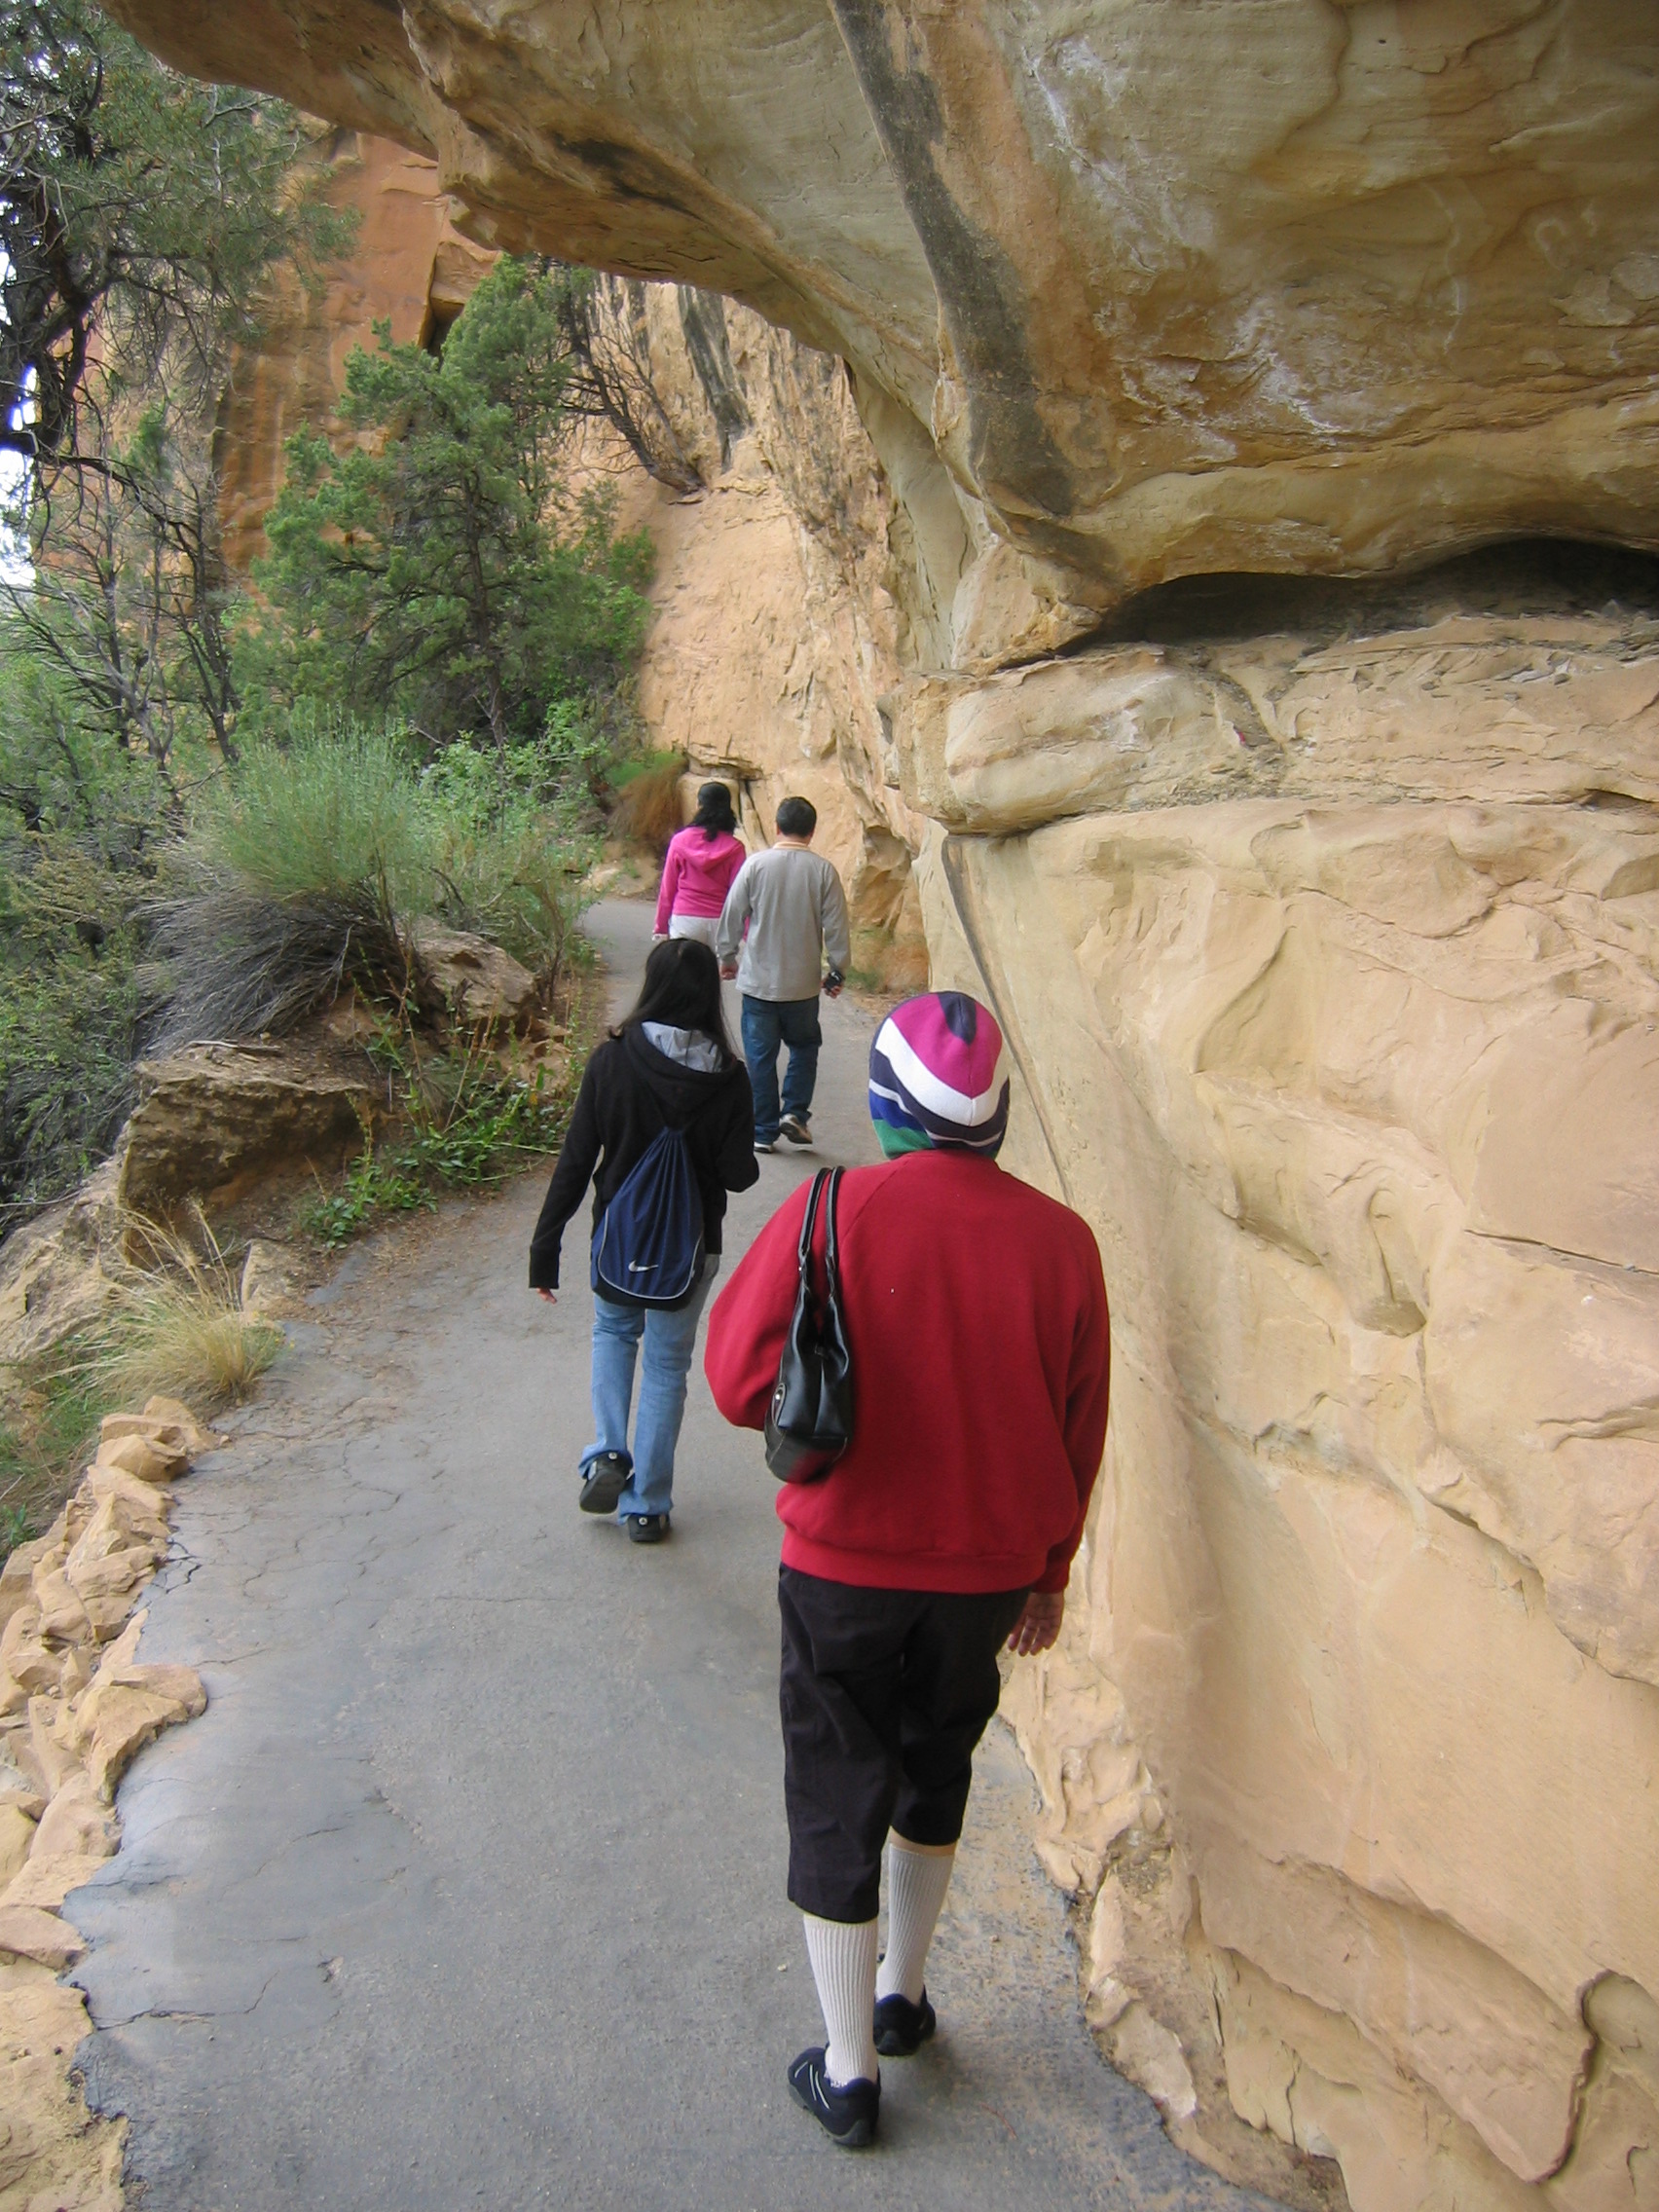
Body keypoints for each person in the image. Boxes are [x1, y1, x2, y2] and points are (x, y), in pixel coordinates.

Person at [704, 990, 1111, 2148]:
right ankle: (904, 1998)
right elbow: (1081, 1429)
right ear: (996, 1115)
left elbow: (736, 1383)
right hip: (987, 1579)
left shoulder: (832, 1207)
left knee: (838, 1784)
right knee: (937, 1764)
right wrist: (1051, 1572)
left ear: (887, 1107)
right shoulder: (1064, 1242)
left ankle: (848, 2072)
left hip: (841, 1566)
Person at [530, 938, 756, 1544]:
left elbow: (577, 1159)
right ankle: (648, 1505)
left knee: (613, 1332)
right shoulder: (730, 1078)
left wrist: (544, 1250)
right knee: (666, 1363)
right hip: (692, 1248)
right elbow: (739, 1175)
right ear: (709, 996)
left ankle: (608, 1450)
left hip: (619, 1238)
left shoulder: (612, 1060)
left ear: (651, 987)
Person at [716, 795, 850, 1155]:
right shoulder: (823, 871)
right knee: (804, 1047)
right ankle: (794, 1113)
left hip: (758, 983)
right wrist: (837, 970)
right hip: (802, 986)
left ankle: (762, 1130)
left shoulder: (756, 865)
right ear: (812, 831)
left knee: (760, 1057)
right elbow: (837, 927)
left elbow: (732, 914)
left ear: (776, 826)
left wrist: (727, 956)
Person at [653, 782, 747, 950]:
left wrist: (661, 928)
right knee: (713, 967)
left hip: (685, 919)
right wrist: (746, 932)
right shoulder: (735, 848)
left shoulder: (679, 841)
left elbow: (668, 889)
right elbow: (739, 894)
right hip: (719, 921)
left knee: (685, 967)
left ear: (698, 805)